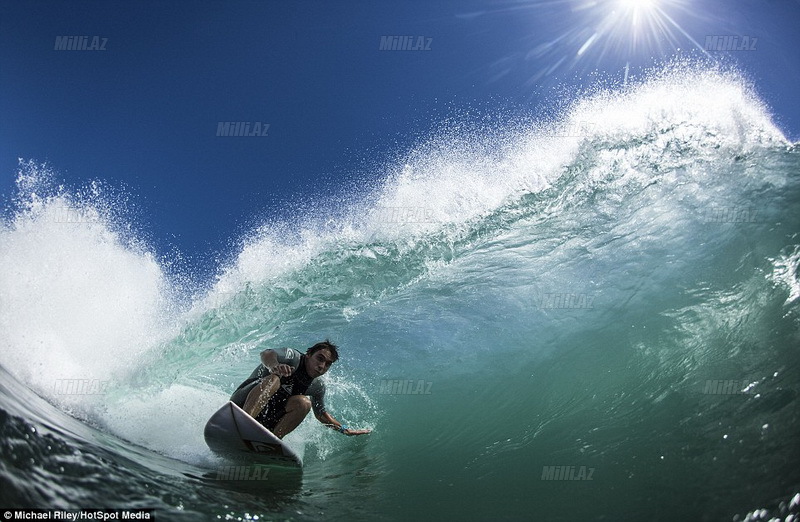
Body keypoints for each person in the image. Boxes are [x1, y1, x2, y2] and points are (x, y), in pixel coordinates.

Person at [230, 340, 370, 438]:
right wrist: (274, 366)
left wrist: (344, 430)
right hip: (242, 403)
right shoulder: (292, 357)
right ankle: (244, 422)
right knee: (274, 379)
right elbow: (266, 353)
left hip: (265, 417)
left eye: (328, 364)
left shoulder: (317, 386)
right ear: (308, 354)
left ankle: (271, 441)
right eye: (320, 359)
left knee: (304, 403)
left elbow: (321, 415)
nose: (322, 366)